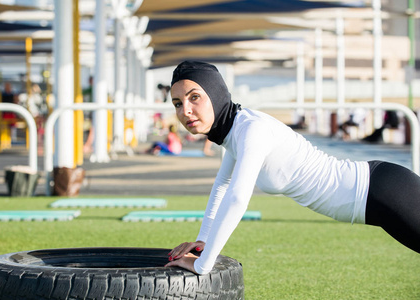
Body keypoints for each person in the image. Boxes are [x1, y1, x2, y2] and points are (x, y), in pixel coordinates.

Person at [165, 61, 420, 275]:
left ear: (216, 94)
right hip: (375, 200)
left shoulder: (251, 129)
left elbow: (238, 197)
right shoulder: (234, 131)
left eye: (194, 97)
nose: (185, 110)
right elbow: (222, 184)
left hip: (383, 191)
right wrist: (204, 241)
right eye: (177, 103)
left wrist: (203, 264)